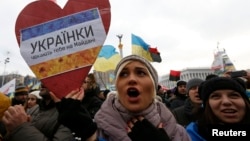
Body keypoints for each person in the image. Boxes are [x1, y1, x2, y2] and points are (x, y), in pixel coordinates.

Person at [52, 55, 191, 141]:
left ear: (154, 86)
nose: (131, 79)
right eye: (123, 74)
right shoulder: (99, 130)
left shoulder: (179, 133)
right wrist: (89, 135)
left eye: (141, 73)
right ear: (117, 87)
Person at [2, 84, 74, 141]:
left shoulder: (70, 114)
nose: (43, 82)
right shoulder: (34, 109)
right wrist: (11, 131)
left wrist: (21, 128)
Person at [186, 77, 250, 140]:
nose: (226, 101)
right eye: (216, 96)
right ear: (206, 105)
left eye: (234, 95)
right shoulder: (192, 134)